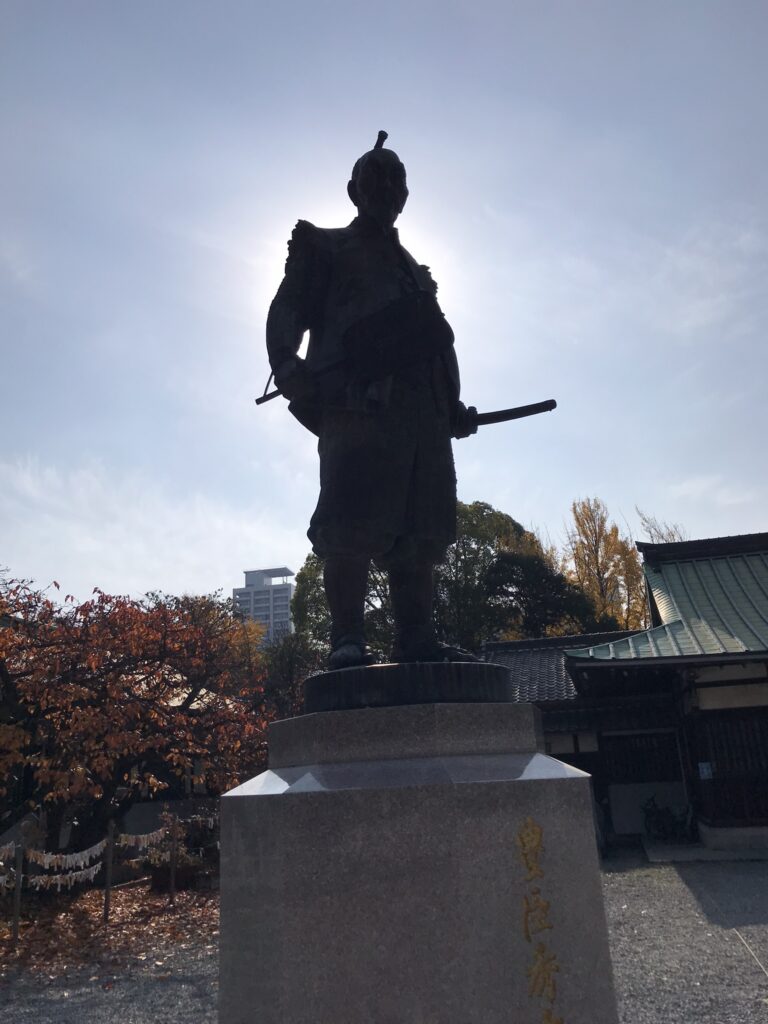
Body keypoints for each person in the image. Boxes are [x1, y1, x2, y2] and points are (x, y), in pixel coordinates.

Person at [266, 131, 476, 669]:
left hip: (422, 416)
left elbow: (438, 343)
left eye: (395, 180)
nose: (386, 188)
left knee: (418, 532)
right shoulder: (328, 247)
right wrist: (287, 364)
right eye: (375, 178)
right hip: (357, 405)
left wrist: (452, 405)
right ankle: (347, 639)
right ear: (352, 189)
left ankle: (416, 638)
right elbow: (288, 307)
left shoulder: (414, 271)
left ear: (406, 194)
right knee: (349, 524)